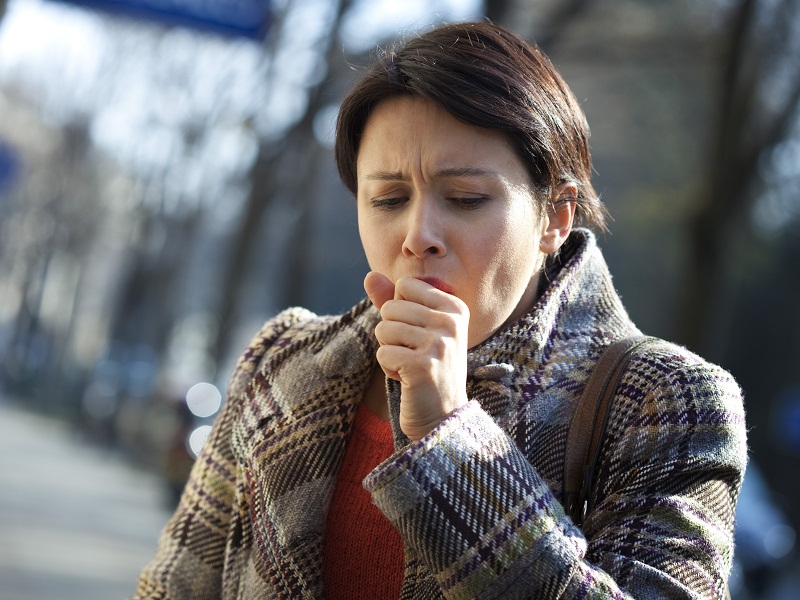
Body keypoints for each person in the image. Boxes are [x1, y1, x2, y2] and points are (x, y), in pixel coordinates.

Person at [133, 21, 747, 599]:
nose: (418, 233)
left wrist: (451, 441)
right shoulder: (281, 362)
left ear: (556, 216)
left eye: (465, 198)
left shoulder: (668, 402)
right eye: (388, 198)